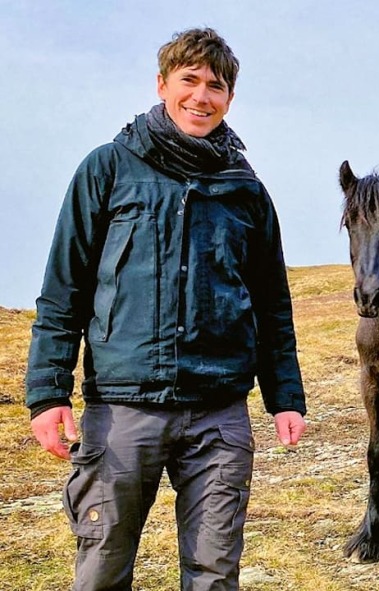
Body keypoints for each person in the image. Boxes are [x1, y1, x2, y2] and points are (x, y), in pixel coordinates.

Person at [25, 28, 307, 590]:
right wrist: (48, 392)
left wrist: (285, 397)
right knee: (102, 568)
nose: (201, 96)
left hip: (219, 413)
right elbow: (64, 290)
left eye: (216, 86)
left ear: (230, 98)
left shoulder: (247, 191)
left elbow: (272, 305)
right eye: (189, 80)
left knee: (214, 573)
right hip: (122, 409)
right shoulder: (107, 169)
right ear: (162, 84)